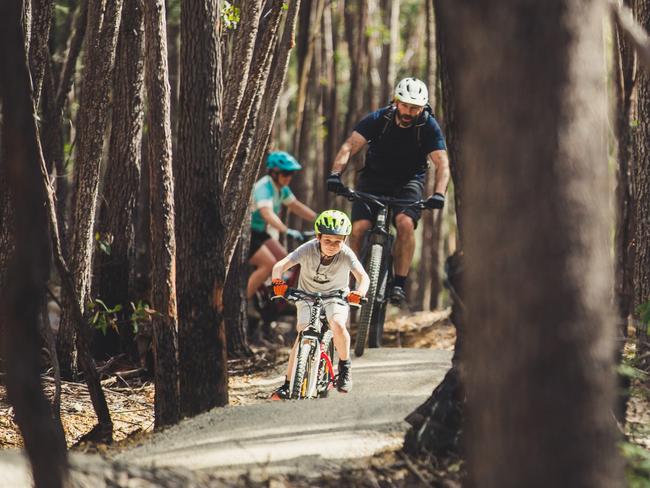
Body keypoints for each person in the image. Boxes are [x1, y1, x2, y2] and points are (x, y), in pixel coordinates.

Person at [326, 77, 450, 304]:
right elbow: (350, 146)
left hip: (408, 183)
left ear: (422, 108)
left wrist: (440, 193)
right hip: (373, 179)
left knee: (404, 224)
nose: (408, 111)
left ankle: (399, 284)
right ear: (396, 101)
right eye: (404, 105)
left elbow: (442, 162)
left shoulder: (428, 126)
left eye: (414, 108)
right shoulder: (379, 119)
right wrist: (335, 174)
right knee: (359, 228)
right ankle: (354, 280)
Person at [270, 210, 370, 399]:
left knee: (338, 325)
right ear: (318, 237)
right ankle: (288, 384)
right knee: (302, 332)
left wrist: (359, 293)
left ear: (345, 240)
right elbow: (279, 266)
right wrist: (278, 283)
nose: (332, 246)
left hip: (336, 297)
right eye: (327, 240)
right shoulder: (307, 248)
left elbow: (363, 277)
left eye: (338, 241)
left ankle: (344, 366)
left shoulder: (347, 254)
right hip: (307, 296)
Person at [247, 151, 317, 300]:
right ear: (274, 173)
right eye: (286, 173)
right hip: (247, 234)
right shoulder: (264, 187)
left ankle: (271, 297)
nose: (289, 177)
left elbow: (295, 206)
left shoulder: (281, 188)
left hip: (259, 232)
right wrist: (287, 230)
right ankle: (245, 302)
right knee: (268, 264)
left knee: (283, 259)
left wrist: (319, 219)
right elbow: (266, 213)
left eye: (291, 173)